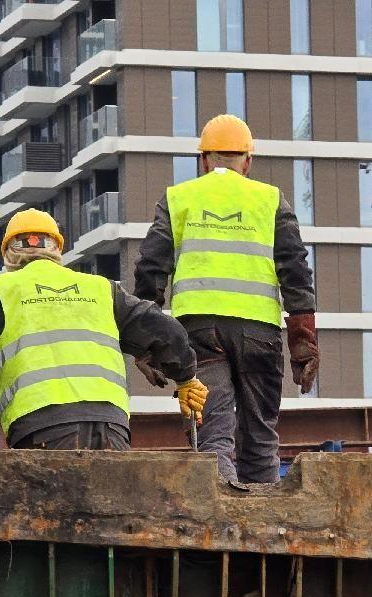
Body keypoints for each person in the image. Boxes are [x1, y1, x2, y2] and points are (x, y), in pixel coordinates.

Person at [0, 208, 207, 450]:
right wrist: (186, 378)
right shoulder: (101, 290)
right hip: (111, 425)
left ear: (8, 253)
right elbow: (166, 331)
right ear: (57, 248)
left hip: (43, 428)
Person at [133, 113, 319, 484]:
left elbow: (150, 270)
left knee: (212, 435)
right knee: (260, 439)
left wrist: (148, 345)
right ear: (247, 161)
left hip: (197, 334)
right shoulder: (270, 200)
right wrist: (303, 344)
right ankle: (262, 517)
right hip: (259, 335)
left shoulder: (178, 199)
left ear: (203, 160)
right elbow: (295, 272)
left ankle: (220, 510)